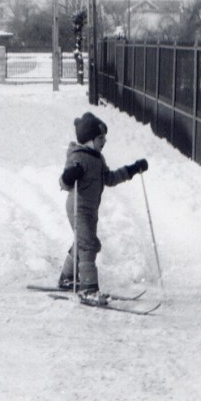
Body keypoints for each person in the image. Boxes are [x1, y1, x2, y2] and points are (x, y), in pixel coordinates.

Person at [58, 112, 148, 299]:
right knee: (88, 245)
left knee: (81, 242)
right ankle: (89, 288)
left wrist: (132, 169)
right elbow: (64, 183)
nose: (104, 141)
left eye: (104, 137)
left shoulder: (98, 159)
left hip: (90, 210)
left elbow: (110, 178)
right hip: (78, 208)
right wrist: (69, 175)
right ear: (89, 139)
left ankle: (67, 277)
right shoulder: (78, 156)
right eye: (100, 137)